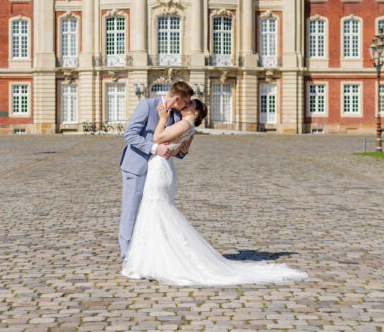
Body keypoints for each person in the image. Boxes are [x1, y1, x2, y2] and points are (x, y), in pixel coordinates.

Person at [121, 98, 307, 286]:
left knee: (156, 213)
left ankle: (149, 260)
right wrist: (180, 149)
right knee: (157, 214)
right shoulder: (188, 127)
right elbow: (179, 150)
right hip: (162, 170)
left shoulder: (184, 123)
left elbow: (157, 139)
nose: (185, 105)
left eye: (190, 104)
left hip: (159, 171)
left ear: (196, 112)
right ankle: (154, 257)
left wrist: (162, 118)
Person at [119, 81, 194, 260]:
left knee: (154, 210)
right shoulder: (146, 106)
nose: (186, 106)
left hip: (158, 171)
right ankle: (127, 255)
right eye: (186, 102)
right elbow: (130, 135)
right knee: (130, 210)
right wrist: (154, 148)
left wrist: (183, 150)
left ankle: (150, 251)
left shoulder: (177, 116)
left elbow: (174, 147)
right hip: (136, 166)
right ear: (177, 98)